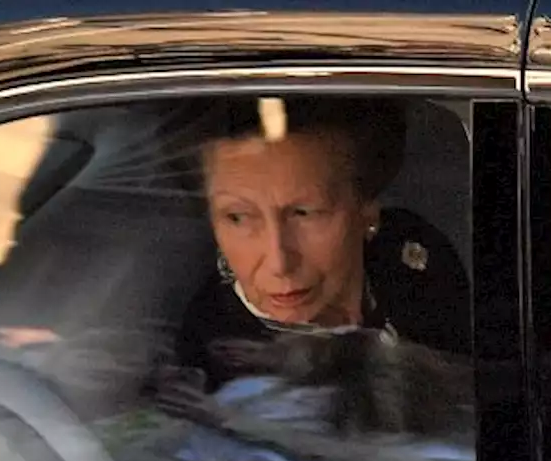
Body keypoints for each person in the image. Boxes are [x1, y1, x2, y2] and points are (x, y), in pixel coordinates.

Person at [170, 96, 472, 391]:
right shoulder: (210, 352)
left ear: (366, 211)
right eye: (238, 217)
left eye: (305, 213)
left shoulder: (411, 256)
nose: (279, 263)